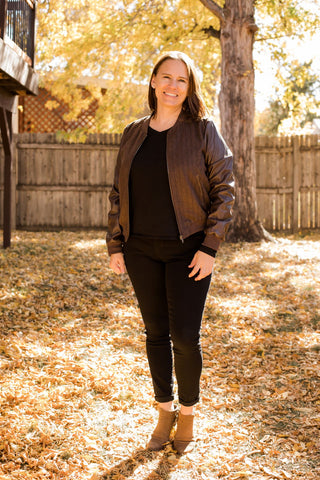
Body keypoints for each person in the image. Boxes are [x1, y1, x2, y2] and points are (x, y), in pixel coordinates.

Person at [107, 51, 234, 454]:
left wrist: (210, 247)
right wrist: (115, 244)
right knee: (155, 334)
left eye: (181, 80)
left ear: (189, 87)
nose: (173, 86)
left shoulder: (203, 131)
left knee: (184, 335)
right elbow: (117, 193)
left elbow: (225, 191)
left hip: (189, 250)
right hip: (141, 249)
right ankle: (164, 411)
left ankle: (189, 412)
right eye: (166, 77)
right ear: (153, 82)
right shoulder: (133, 132)